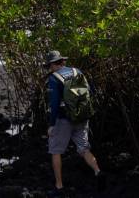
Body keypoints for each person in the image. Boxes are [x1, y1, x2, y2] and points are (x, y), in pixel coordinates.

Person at [45, 50, 105, 197]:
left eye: (49, 65)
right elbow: (89, 90)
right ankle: (98, 171)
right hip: (82, 117)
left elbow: (54, 104)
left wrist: (52, 124)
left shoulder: (54, 78)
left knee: (56, 151)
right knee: (83, 148)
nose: (49, 68)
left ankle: (59, 186)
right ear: (62, 61)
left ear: (53, 64)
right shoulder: (77, 71)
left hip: (63, 120)